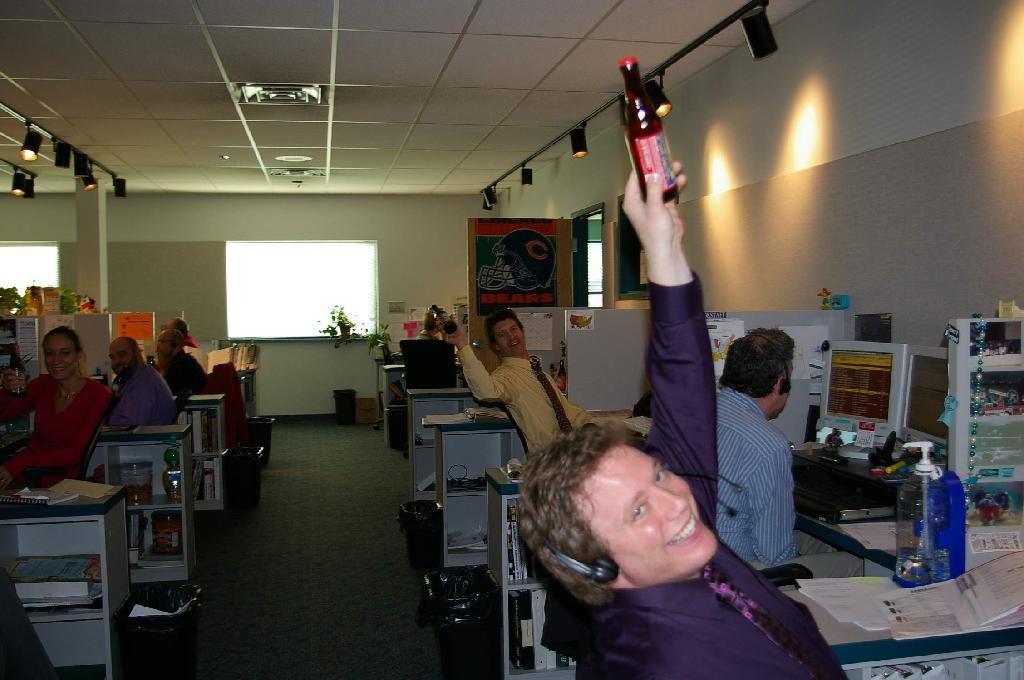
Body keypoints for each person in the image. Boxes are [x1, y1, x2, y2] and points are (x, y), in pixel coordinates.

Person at [518, 167, 844, 679]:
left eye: (659, 476)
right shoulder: (659, 662)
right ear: (595, 565)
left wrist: (663, 250)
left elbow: (685, 391)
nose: (676, 502)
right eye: (638, 510)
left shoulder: (686, 557)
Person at [717, 330, 863, 578]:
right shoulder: (768, 445)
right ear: (779, 384)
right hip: (740, 574)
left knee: (823, 543)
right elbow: (774, 554)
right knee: (860, 562)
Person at [446, 308, 594, 453]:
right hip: (549, 459)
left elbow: (570, 414)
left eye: (514, 329)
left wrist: (598, 426)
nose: (511, 337)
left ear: (522, 333)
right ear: (496, 346)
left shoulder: (541, 374)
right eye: (502, 334)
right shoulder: (506, 377)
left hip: (570, 452)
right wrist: (462, 344)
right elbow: (486, 391)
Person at [0, 326, 112, 489]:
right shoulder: (43, 385)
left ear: (79, 356)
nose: (56, 361)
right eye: (50, 353)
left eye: (65, 353)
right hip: (26, 475)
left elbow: (74, 454)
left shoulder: (98, 394)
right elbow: (3, 415)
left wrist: (21, 462)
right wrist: (6, 390)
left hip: (59, 483)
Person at [106, 336, 177, 426]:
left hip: (136, 434)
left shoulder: (142, 384)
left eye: (122, 354)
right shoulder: (138, 375)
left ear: (137, 354)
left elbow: (132, 427)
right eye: (112, 357)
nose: (117, 361)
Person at [156, 329, 207, 402]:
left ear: (175, 344)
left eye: (161, 341)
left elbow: (164, 394)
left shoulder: (182, 364)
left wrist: (162, 370)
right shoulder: (183, 360)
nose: (158, 346)